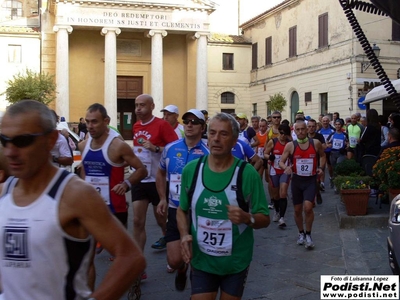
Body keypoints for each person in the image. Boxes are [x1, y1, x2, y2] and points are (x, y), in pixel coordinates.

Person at [0, 100, 145, 299]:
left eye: (23, 141)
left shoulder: (76, 193)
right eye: (4, 140)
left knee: (95, 256)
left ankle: (131, 286)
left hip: (112, 205)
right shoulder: (5, 191)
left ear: (51, 140)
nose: (10, 151)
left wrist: (126, 185)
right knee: (90, 259)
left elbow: (131, 257)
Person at [177, 112, 270, 299]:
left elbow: (264, 218)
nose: (216, 139)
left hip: (235, 262)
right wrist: (184, 235)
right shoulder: (191, 170)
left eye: (223, 134)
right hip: (202, 260)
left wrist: (247, 218)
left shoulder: (247, 174)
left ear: (235, 140)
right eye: (212, 133)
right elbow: (181, 210)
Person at [156, 109, 209, 290]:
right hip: (174, 208)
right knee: (174, 259)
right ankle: (181, 269)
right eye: (186, 121)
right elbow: (161, 172)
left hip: (198, 212)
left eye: (194, 122)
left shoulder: (208, 153)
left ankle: (198, 288)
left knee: (196, 257)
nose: (189, 125)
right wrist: (162, 198)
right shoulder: (171, 148)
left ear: (202, 127)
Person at [131, 94, 179, 277]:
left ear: (152, 106)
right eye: (136, 105)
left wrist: (156, 148)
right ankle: (139, 265)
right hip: (141, 179)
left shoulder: (162, 125)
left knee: (162, 221)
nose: (138, 108)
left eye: (142, 105)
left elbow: (175, 148)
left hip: (158, 180)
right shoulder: (135, 126)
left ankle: (173, 250)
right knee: (137, 221)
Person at [279, 120, 326, 249]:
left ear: (307, 130)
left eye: (302, 129)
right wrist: (286, 168)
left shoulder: (315, 143)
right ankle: (301, 233)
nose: (300, 132)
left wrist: (321, 168)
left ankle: (309, 234)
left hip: (310, 180)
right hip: (297, 182)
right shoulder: (290, 145)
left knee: (308, 208)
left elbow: (322, 156)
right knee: (297, 210)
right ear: (294, 131)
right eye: (298, 129)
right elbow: (281, 162)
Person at [264, 124, 291, 227]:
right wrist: (269, 157)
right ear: (278, 132)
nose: (282, 135)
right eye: (281, 133)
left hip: (285, 170)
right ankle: (276, 210)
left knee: (283, 192)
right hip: (274, 170)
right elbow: (265, 153)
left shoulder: (289, 144)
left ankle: (282, 218)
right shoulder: (273, 142)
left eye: (285, 134)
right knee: (276, 195)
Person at [307, 119, 326, 204]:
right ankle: (311, 198)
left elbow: (323, 147)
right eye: (309, 126)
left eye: (313, 126)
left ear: (316, 127)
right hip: (306, 162)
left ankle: (317, 193)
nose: (311, 128)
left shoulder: (319, 136)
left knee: (316, 181)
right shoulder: (304, 137)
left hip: (316, 161)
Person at [318, 116, 335, 189]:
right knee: (322, 167)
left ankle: (331, 178)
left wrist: (330, 145)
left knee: (330, 168)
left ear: (329, 122)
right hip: (322, 152)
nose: (325, 122)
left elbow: (335, 140)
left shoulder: (332, 131)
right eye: (323, 121)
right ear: (321, 122)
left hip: (329, 152)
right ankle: (322, 183)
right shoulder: (319, 131)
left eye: (326, 121)